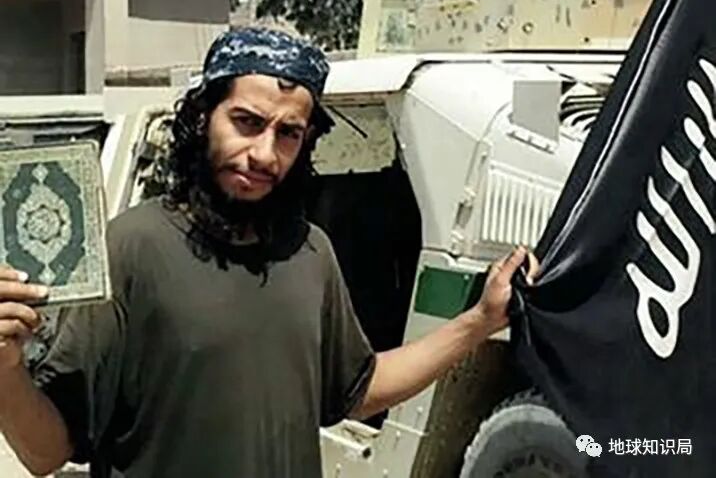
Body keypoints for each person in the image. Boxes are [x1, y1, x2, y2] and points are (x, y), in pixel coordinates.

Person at [0, 28, 538, 477]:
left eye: (288, 134)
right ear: (203, 117)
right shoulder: (131, 248)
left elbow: (358, 390)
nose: (264, 154)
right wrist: (5, 366)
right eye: (247, 122)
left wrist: (479, 321)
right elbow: (45, 452)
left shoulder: (310, 253)